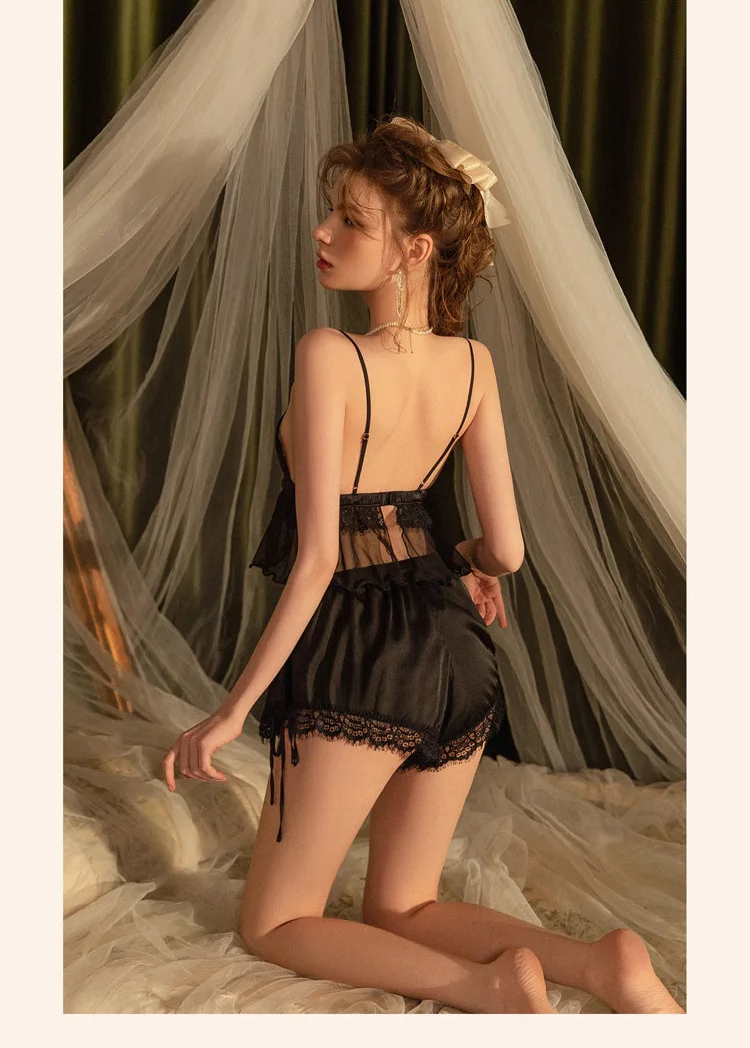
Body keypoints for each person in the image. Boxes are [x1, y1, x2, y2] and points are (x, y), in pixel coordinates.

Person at [161, 115, 684, 1015]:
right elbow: (507, 550)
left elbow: (319, 558)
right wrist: (466, 562)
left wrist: (230, 711)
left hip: (365, 651)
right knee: (405, 904)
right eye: (330, 213)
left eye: (351, 220)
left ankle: (489, 987)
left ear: (416, 248)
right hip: (460, 649)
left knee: (276, 922)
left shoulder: (329, 354)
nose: (323, 232)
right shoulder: (474, 364)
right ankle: (603, 966)